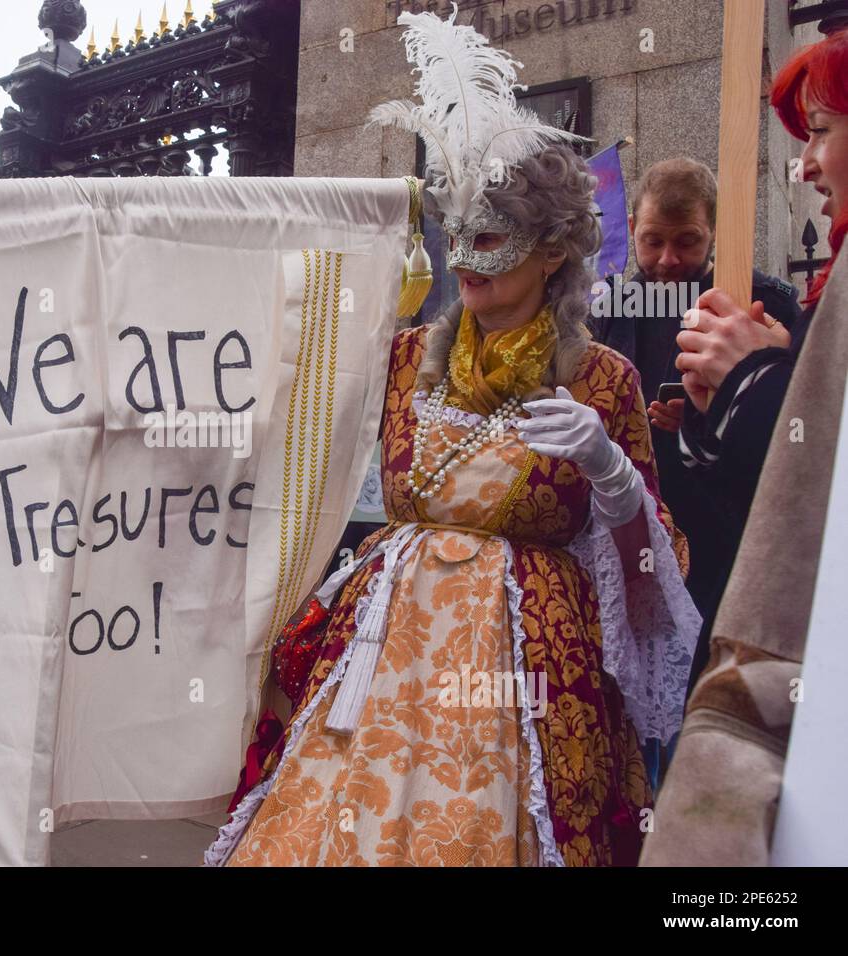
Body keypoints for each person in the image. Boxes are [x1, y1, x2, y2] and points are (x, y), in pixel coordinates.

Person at [205, 8, 700, 867]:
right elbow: (287, 388)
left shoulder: (604, 383)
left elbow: (657, 575)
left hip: (525, 685)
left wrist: (610, 471)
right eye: (457, 232)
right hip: (385, 662)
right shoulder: (401, 362)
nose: (466, 256)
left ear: (553, 252)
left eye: (492, 237)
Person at [643, 27, 847, 865]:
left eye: (826, 129)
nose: (805, 162)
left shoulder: (771, 302)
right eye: (651, 242)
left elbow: (809, 470)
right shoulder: (613, 307)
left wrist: (751, 381)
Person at [590, 160, 801, 695]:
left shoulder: (760, 303)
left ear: (714, 235)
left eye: (686, 242)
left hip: (716, 533)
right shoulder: (608, 307)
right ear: (633, 227)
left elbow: (791, 420)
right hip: (629, 522)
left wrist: (713, 420)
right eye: (652, 241)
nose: (667, 261)